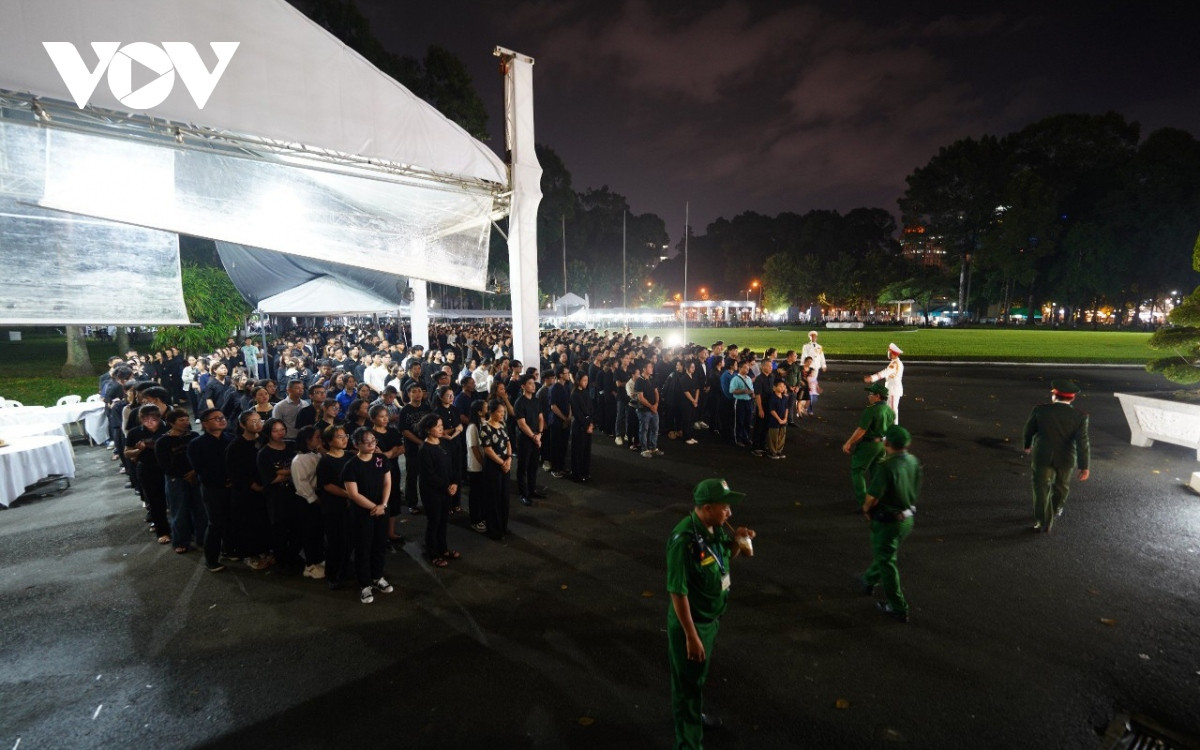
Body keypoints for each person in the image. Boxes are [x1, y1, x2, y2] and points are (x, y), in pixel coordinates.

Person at [666, 478, 756, 750]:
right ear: (706, 508)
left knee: (695, 679)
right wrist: (691, 637)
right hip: (692, 625)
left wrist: (739, 541)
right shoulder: (684, 540)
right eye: (725, 507)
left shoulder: (714, 529)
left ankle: (691, 715)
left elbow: (722, 560)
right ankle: (688, 743)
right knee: (688, 686)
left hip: (710, 619)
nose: (729, 512)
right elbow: (677, 592)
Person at [857, 425, 921, 623]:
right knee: (886, 554)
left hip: (889, 520)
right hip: (907, 518)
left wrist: (866, 509)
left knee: (887, 561)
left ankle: (898, 606)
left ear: (887, 443)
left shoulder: (887, 466)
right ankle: (869, 579)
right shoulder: (913, 461)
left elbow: (873, 497)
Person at [1022, 379, 1091, 533]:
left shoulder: (1040, 410)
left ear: (1054, 396)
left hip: (1042, 455)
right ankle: (1055, 509)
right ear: (1072, 398)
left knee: (1040, 488)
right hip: (1066, 458)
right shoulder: (1080, 416)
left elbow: (1029, 430)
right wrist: (1084, 466)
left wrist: (1027, 445)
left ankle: (1043, 521)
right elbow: (1082, 442)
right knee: (1062, 487)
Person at [342, 427, 394, 604]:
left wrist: (383, 505)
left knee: (380, 544)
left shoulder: (381, 459)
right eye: (367, 441)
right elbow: (353, 494)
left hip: (382, 509)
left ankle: (377, 576)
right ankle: (364, 584)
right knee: (363, 547)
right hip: (362, 513)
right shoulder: (351, 466)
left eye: (374, 440)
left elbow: (387, 482)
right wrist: (375, 507)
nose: (372, 444)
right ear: (356, 444)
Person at [187, 408, 235, 573]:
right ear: (206, 424)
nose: (221, 420)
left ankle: (229, 549)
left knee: (231, 519)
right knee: (215, 523)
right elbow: (200, 469)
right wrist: (222, 481)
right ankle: (211, 559)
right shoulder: (197, 444)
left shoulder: (230, 438)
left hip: (232, 486)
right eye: (216, 418)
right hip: (213, 488)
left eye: (222, 417)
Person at [842, 382, 895, 509]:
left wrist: (848, 442)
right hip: (881, 445)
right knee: (877, 473)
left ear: (878, 396)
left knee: (857, 471)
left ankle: (864, 502)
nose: (868, 396)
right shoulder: (890, 411)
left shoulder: (871, 410)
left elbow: (861, 430)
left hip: (868, 445)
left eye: (870, 394)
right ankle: (878, 499)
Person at [417, 413, 460, 567]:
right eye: (438, 426)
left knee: (443, 521)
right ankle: (433, 554)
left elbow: (452, 465)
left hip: (447, 490)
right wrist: (447, 486)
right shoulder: (425, 449)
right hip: (433, 492)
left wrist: (454, 482)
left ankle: (443, 549)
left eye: (442, 426)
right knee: (434, 522)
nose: (442, 429)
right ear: (428, 429)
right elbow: (429, 475)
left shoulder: (443, 443)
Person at [479, 398, 513, 540]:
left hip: (505, 464)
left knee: (504, 497)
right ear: (491, 412)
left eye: (503, 412)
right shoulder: (485, 427)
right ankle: (494, 529)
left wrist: (509, 459)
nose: (501, 415)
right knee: (493, 498)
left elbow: (508, 442)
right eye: (499, 412)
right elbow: (488, 450)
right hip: (493, 466)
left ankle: (503, 527)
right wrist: (502, 462)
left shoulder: (502, 425)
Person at [513, 374, 545, 507]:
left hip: (536, 437)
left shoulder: (536, 401)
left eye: (534, 383)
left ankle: (532, 490)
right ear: (523, 386)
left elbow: (541, 418)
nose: (533, 385)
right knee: (523, 467)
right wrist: (534, 437)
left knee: (533, 465)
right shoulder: (519, 402)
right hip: (525, 439)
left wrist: (540, 434)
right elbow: (522, 424)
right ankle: (523, 494)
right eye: (530, 383)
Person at [864, 343, 904, 425]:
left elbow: (885, 372)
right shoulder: (896, 363)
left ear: (892, 353)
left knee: (892, 411)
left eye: (889, 352)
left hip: (893, 391)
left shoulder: (894, 364)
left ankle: (894, 432)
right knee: (890, 411)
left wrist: (872, 378)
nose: (888, 353)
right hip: (893, 390)